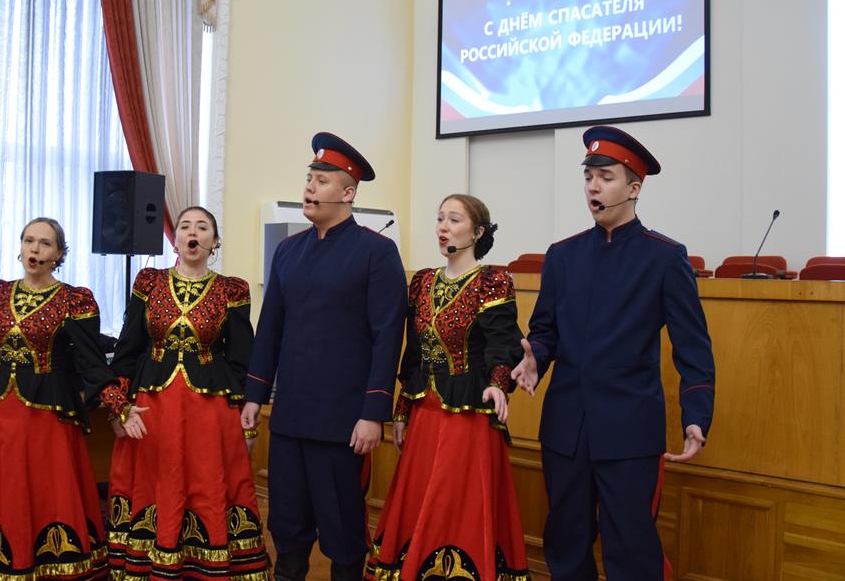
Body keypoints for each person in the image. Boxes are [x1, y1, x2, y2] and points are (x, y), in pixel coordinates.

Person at [511, 125, 716, 580]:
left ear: (634, 188)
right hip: (566, 428)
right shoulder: (562, 255)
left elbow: (693, 347)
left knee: (631, 550)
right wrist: (535, 358)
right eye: (588, 177)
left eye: (605, 177)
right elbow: (545, 331)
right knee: (565, 545)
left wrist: (696, 415)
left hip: (629, 431)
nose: (593, 187)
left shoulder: (664, 257)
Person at [0, 216, 143, 580]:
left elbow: (91, 364)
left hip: (49, 421)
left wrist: (119, 405)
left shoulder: (74, 301)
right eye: (29, 240)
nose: (35, 248)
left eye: (45, 243)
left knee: (48, 493)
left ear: (59, 254)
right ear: (20, 247)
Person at [240, 132, 408, 581]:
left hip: (343, 425)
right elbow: (270, 328)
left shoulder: (377, 252)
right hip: (290, 419)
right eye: (309, 178)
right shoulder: (288, 250)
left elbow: (387, 338)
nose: (310, 187)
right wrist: (255, 394)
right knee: (286, 528)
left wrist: (373, 413)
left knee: (343, 535)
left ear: (348, 193)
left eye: (322, 180)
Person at [364, 194, 531, 581]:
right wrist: (402, 410)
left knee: (456, 504)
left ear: (477, 232)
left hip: (469, 418)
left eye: (454, 220)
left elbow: (502, 343)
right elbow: (415, 353)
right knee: (421, 500)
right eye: (440, 218)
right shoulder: (422, 282)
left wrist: (499, 384)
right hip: (426, 415)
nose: (443, 227)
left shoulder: (492, 282)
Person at [106, 206, 270, 580]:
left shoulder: (232, 290)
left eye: (202, 227)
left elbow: (241, 358)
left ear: (214, 241)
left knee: (205, 483)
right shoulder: (148, 282)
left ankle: (205, 566)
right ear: (176, 238)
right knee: (156, 483)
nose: (192, 233)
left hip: (209, 411)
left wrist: (246, 418)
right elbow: (128, 348)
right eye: (185, 226)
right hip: (153, 409)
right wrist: (119, 406)